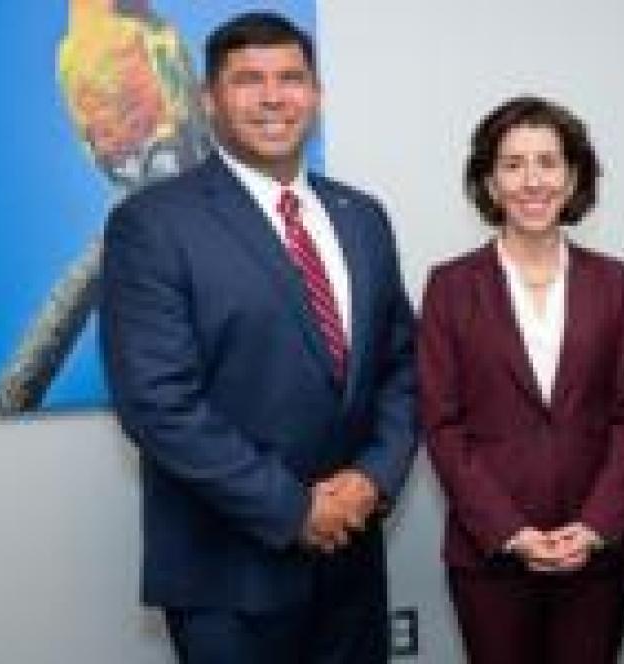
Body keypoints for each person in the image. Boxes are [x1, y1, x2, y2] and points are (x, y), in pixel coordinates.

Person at [100, 12, 417, 663]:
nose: (274, 97)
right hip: (228, 578)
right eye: (249, 80)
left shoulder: (362, 216)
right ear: (208, 99)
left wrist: (371, 479)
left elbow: (401, 368)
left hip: (352, 570)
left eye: (291, 78)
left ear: (316, 95)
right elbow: (158, 403)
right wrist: (295, 509)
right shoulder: (152, 225)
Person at [419, 95, 624, 664]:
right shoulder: (450, 287)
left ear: (574, 176)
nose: (532, 181)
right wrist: (509, 530)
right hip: (490, 555)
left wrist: (597, 525)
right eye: (513, 164)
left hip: (595, 558)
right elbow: (441, 423)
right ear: (489, 181)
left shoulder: (617, 285)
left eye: (548, 163)